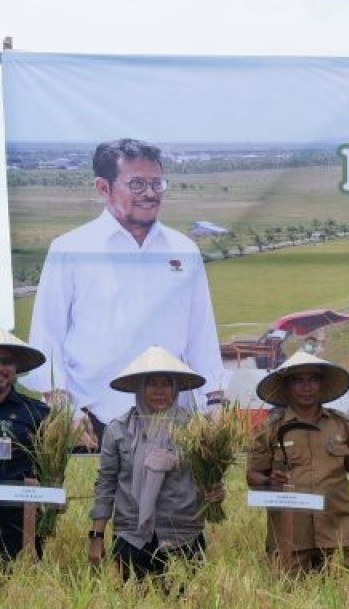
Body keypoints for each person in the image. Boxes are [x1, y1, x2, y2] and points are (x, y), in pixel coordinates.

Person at [26, 138, 224, 443]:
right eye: (136, 184)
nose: (150, 194)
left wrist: (214, 399)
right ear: (103, 187)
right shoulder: (71, 248)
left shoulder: (183, 249)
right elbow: (47, 334)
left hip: (172, 418)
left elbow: (201, 332)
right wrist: (64, 408)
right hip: (92, 418)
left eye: (157, 184)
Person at [88, 346, 223, 581]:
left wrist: (216, 493)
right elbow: (106, 485)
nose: (159, 391)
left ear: (176, 388)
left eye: (166, 383)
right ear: (140, 387)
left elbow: (210, 479)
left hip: (183, 535)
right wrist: (96, 537)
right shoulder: (119, 430)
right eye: (152, 383)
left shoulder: (195, 429)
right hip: (132, 536)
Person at [246, 351, 349, 572]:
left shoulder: (340, 425)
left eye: (313, 379)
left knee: (346, 595)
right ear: (286, 387)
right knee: (291, 597)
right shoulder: (269, 429)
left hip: (337, 531)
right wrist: (269, 481)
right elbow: (252, 476)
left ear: (322, 384)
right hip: (291, 535)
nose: (306, 387)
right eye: (298, 381)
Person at [0, 331, 51, 563]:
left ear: (16, 367)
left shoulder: (37, 412)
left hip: (21, 520)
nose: (0, 368)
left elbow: (54, 461)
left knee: (21, 587)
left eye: (6, 361)